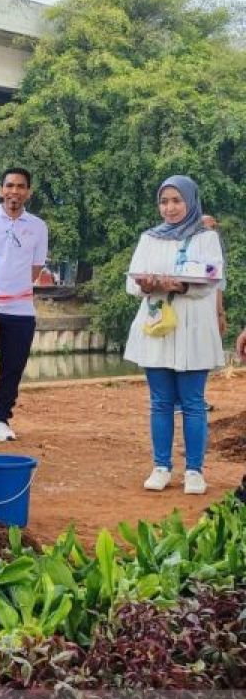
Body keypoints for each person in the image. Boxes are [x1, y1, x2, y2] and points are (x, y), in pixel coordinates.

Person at [124, 176, 223, 495]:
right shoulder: (149, 238)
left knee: (193, 402)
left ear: (190, 201)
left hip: (193, 327)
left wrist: (179, 285)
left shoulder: (206, 238)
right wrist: (147, 285)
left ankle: (194, 471)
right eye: (164, 201)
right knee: (160, 402)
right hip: (157, 327)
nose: (170, 208)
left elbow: (212, 278)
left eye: (176, 201)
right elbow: (130, 282)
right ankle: (161, 466)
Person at [0, 168, 48, 442]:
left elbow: (36, 267)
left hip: (20, 310)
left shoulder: (38, 226)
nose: (14, 191)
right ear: (0, 190)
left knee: (12, 368)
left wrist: (13, 291)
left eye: (20, 186)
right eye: (9, 185)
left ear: (28, 192)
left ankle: (1, 419)